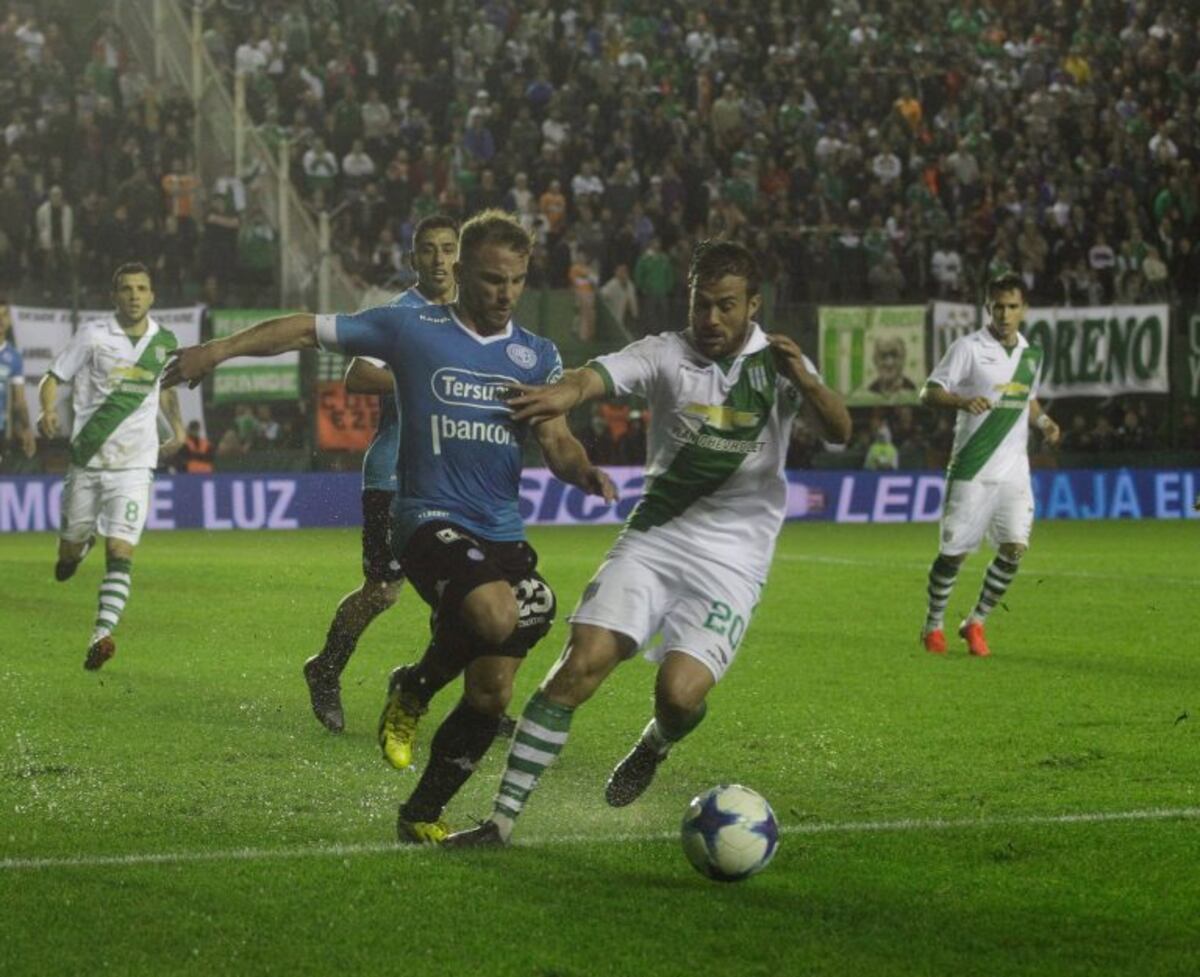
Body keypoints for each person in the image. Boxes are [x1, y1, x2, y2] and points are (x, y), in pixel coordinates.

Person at [163, 210, 615, 844]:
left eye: (515, 281)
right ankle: (414, 685)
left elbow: (558, 440)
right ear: (460, 273)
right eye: (489, 280)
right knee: (493, 614)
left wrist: (583, 471)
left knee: (493, 688)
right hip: (426, 515)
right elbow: (304, 331)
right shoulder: (410, 325)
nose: (504, 293)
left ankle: (421, 813)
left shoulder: (536, 355)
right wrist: (218, 349)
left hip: (500, 528)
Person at [442, 240, 851, 848]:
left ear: (753, 307)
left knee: (680, 696)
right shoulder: (666, 353)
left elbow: (840, 431)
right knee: (579, 665)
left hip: (734, 562)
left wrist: (808, 384)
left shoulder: (781, 365)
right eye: (701, 305)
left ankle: (655, 742)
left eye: (726, 306)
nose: (710, 319)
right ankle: (500, 822)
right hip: (656, 538)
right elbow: (598, 374)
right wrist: (564, 394)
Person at [301, 214, 459, 735]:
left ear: (461, 255)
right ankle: (325, 668)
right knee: (383, 593)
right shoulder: (399, 315)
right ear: (413, 259)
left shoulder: (471, 319)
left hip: (454, 481)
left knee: (472, 594)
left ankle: (474, 700)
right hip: (393, 475)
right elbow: (359, 374)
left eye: (448, 249)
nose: (439, 259)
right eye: (428, 250)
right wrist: (423, 378)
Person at [37, 263, 185, 670]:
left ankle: (100, 635)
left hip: (136, 465)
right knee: (67, 556)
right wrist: (47, 410)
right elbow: (52, 377)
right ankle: (77, 547)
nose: (134, 295)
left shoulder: (164, 342)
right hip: (88, 460)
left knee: (120, 549)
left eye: (141, 288)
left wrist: (178, 429)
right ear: (113, 295)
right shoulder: (93, 335)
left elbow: (165, 392)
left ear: (152, 295)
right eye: (126, 289)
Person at [918, 272, 1061, 657]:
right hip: (972, 467)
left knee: (1014, 548)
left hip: (1014, 470)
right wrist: (961, 401)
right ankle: (933, 623)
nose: (1004, 313)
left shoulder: (1031, 353)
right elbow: (928, 392)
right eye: (998, 306)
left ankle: (975, 621)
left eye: (1012, 306)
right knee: (953, 555)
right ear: (987, 307)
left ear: (1024, 309)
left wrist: (1044, 421)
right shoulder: (967, 348)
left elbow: (1027, 399)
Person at [0, 299, 36, 466]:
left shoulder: (14, 357)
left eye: (5, 315)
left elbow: (19, 401)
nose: (1, 320)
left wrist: (27, 429)